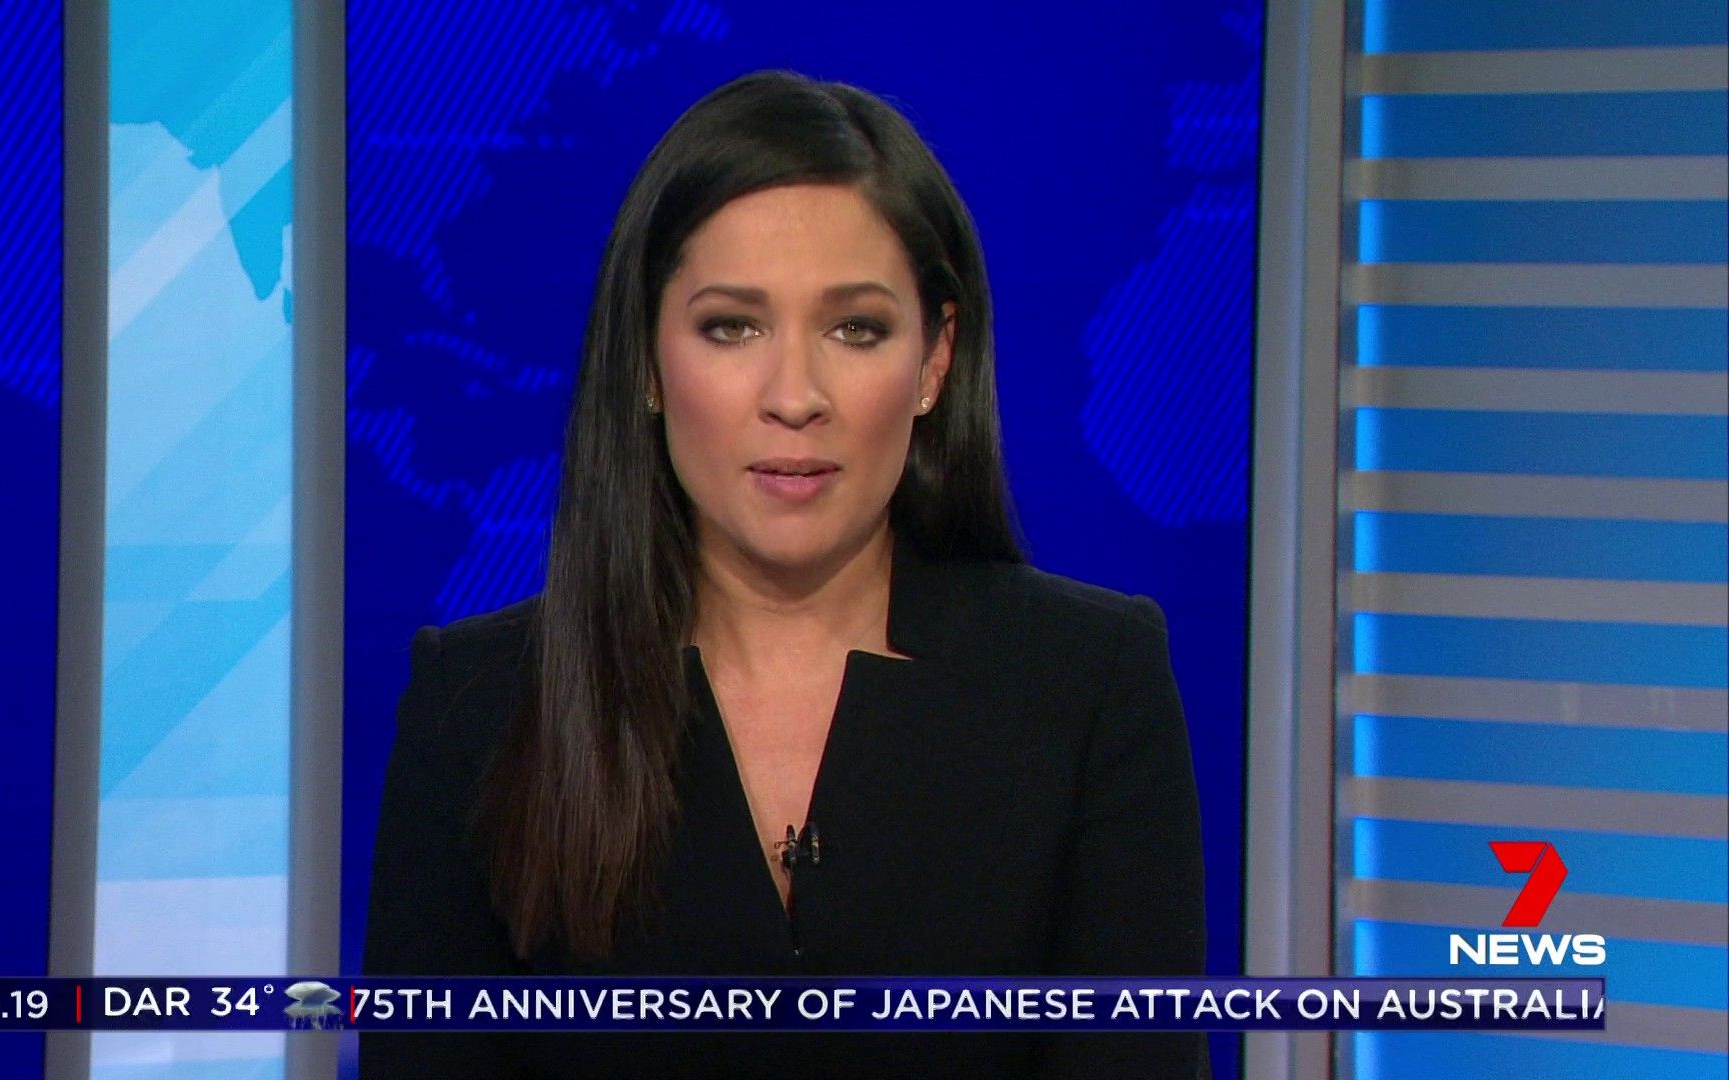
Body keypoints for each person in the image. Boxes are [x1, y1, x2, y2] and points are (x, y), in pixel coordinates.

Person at [361, 68, 1208, 1079]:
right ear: (646, 359)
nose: (795, 395)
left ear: (935, 361)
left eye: (856, 329)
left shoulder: (1088, 685)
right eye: (732, 326)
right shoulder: (480, 708)